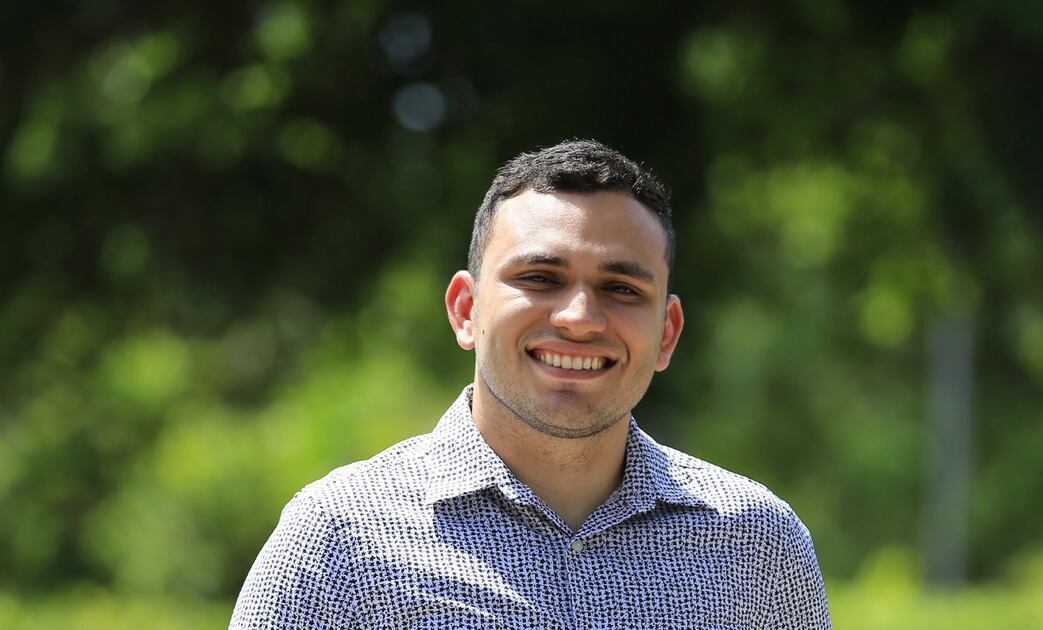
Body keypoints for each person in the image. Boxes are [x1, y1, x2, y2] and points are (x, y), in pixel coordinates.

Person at [231, 140, 832, 629]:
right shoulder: (339, 540)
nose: (580, 318)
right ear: (466, 310)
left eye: (621, 289)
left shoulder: (759, 545)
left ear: (667, 334)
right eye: (540, 277)